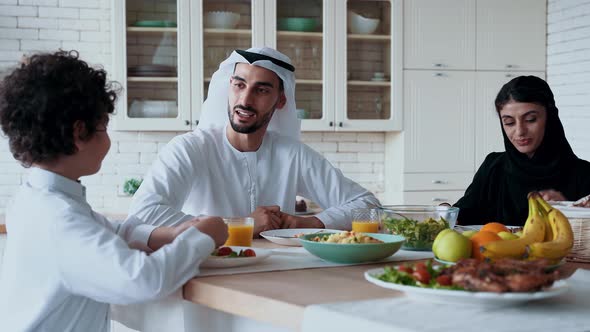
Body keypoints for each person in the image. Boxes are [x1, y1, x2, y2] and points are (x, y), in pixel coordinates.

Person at [0, 50, 228, 331]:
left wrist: (164, 235)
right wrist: (202, 237)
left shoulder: (37, 199)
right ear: (78, 133)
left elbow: (109, 232)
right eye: (104, 127)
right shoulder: (58, 219)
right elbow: (143, 280)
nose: (107, 140)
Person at [128, 47, 380, 235]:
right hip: (207, 272)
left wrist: (310, 222)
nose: (245, 100)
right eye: (239, 85)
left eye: (261, 90)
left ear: (280, 101)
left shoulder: (291, 154)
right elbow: (143, 214)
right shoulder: (190, 148)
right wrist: (243, 224)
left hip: (276, 275)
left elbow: (368, 205)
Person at [454, 75, 590, 226]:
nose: (519, 131)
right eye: (509, 122)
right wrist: (445, 212)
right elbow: (463, 214)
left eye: (530, 119)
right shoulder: (493, 167)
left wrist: (568, 210)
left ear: (550, 117)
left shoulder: (583, 174)